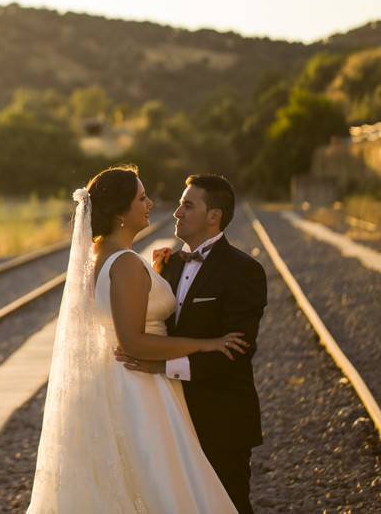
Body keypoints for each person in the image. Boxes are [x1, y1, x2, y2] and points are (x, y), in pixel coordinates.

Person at [28, 165, 247, 513]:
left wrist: (154, 276)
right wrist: (207, 343)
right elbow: (134, 341)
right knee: (159, 483)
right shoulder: (127, 262)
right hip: (141, 384)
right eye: (142, 198)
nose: (151, 203)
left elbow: (125, 308)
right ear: (120, 212)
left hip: (116, 380)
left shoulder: (100, 256)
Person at [116, 174, 267, 513]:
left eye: (188, 205)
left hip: (220, 417)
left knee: (228, 504)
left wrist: (163, 366)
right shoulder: (165, 266)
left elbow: (237, 351)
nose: (177, 213)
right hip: (168, 412)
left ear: (214, 216)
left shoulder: (244, 270)